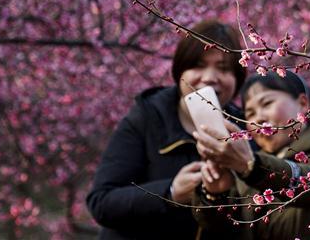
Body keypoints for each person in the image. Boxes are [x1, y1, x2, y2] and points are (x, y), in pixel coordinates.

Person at [86, 20, 247, 240]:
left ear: (237, 79)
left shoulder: (245, 133)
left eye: (224, 68)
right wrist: (170, 192)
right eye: (198, 65)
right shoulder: (147, 118)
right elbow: (102, 202)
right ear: (180, 71)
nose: (210, 77)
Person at [193, 71, 310, 239]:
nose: (258, 118)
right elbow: (226, 230)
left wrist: (253, 166)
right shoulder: (243, 175)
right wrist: (215, 195)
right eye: (250, 113)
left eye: (267, 103)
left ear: (303, 104)